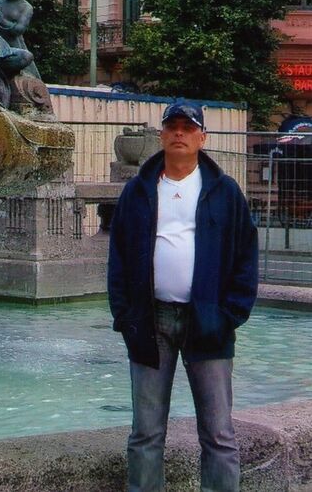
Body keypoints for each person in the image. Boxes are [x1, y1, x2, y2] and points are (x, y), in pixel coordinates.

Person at [108, 100, 258, 492]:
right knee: (145, 433)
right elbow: (118, 255)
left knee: (219, 434)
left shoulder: (224, 192)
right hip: (150, 321)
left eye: (188, 128)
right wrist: (125, 315)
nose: (179, 133)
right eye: (172, 126)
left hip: (208, 323)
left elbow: (246, 255)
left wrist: (229, 314)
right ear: (161, 135)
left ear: (202, 138)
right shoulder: (138, 191)